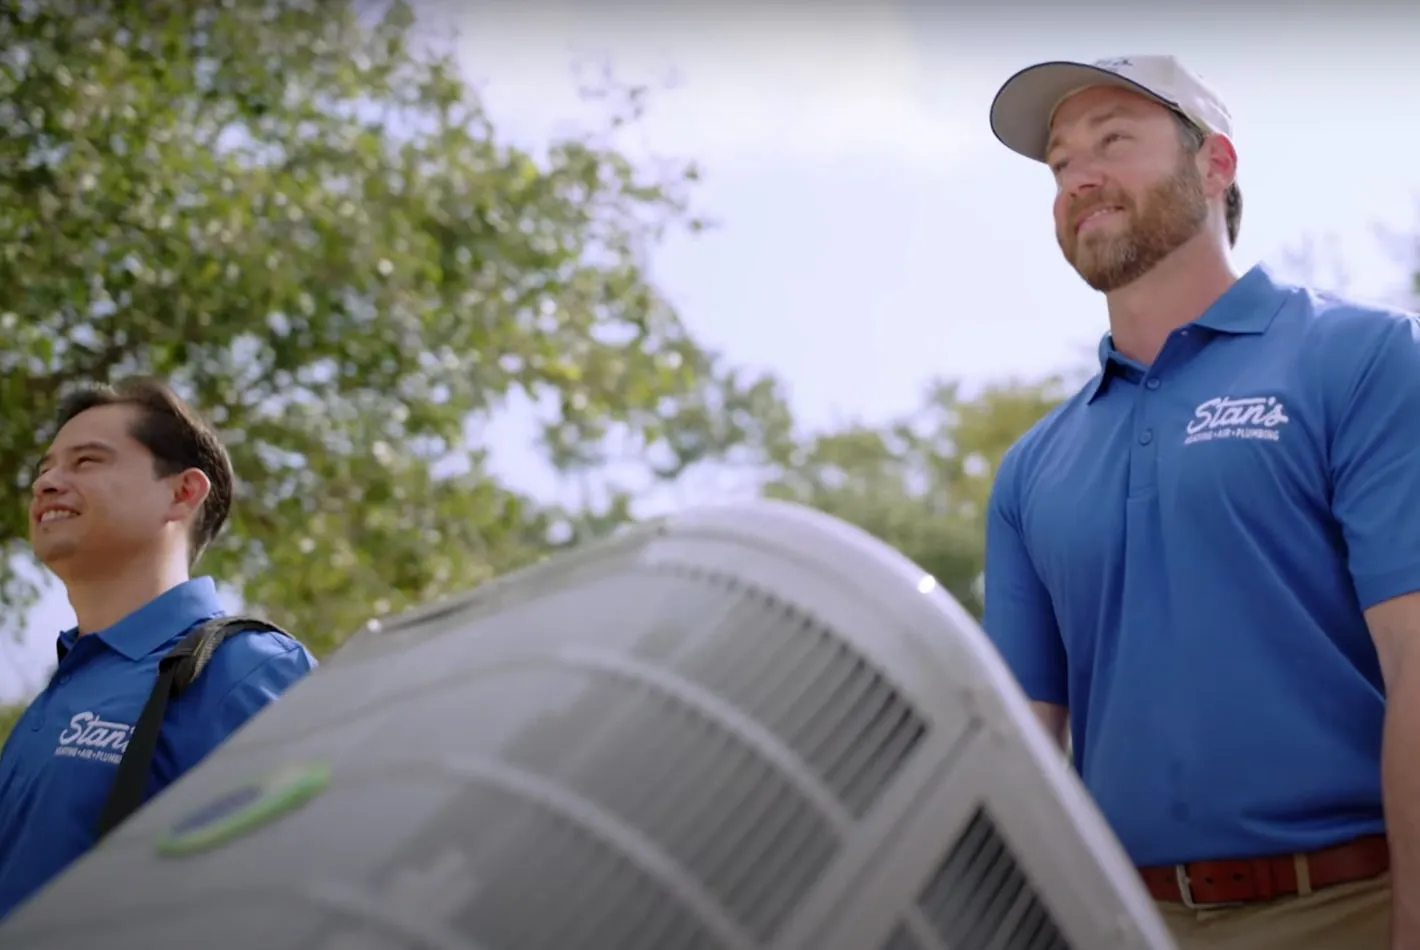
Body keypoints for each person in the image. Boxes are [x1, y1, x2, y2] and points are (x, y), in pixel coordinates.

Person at [983, 55, 1420, 950]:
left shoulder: (1363, 358)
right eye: (1061, 163)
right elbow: (1016, 751)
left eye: (1112, 141)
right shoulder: (1031, 470)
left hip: (1350, 909)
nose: (1080, 177)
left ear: (1215, 165)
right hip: (1120, 924)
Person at [0, 378, 316, 919]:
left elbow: (301, 894)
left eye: (86, 462)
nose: (48, 482)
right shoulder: (65, 686)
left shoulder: (246, 669)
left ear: (182, 493)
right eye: (45, 469)